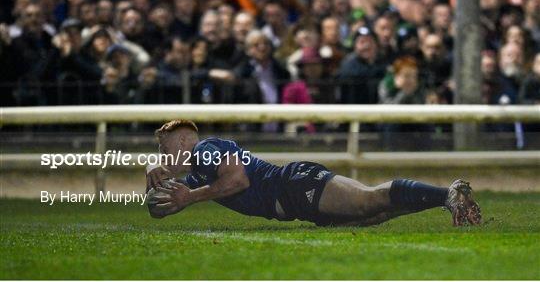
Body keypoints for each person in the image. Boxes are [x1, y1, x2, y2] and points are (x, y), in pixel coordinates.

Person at [145, 119, 482, 227]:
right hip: (293, 200)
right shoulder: (196, 174)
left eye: (165, 148)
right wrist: (152, 175)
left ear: (186, 139)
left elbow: (238, 181)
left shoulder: (205, 151)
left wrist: (189, 197)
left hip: (292, 185)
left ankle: (448, 195)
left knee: (369, 200)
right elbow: (157, 208)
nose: (163, 155)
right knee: (372, 214)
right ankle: (447, 199)